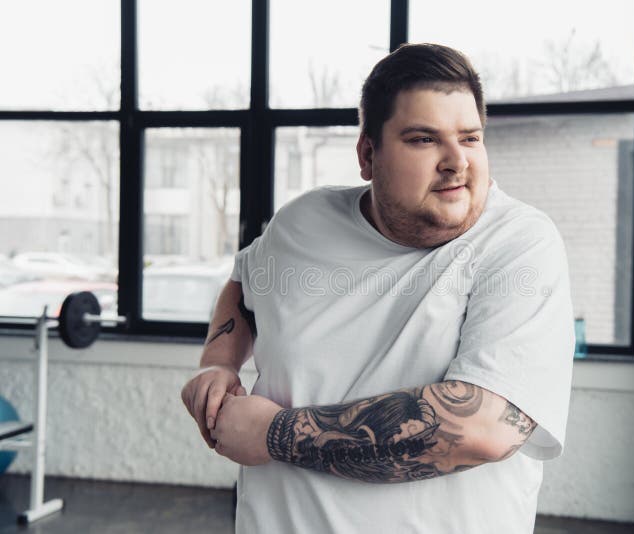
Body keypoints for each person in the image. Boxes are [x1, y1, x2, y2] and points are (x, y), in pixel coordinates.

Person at [181, 43, 574, 533]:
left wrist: (274, 434)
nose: (457, 162)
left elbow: (482, 429)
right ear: (369, 154)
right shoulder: (302, 224)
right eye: (424, 140)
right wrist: (217, 363)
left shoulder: (519, 244)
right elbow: (244, 287)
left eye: (470, 138)